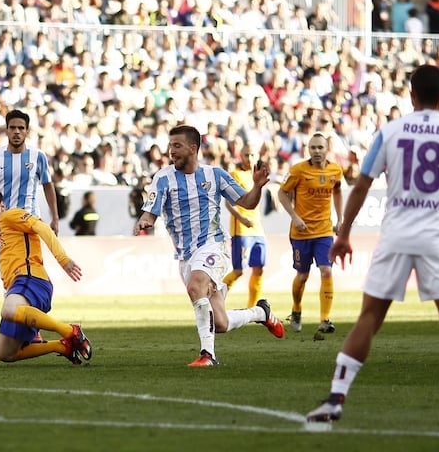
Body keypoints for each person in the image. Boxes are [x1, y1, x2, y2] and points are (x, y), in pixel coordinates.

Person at [306, 65, 439, 426]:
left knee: (369, 317)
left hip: (396, 234)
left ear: (411, 95)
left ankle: (335, 399)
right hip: (437, 238)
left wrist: (344, 233)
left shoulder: (390, 131)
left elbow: (362, 184)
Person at [134, 125, 284, 367]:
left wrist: (256, 187)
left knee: (196, 286)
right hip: (186, 255)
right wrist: (144, 221)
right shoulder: (162, 178)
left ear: (193, 148)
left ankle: (207, 355)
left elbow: (247, 202)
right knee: (221, 323)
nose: (171, 151)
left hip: (214, 245)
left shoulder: (215, 175)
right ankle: (261, 313)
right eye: (170, 146)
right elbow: (150, 212)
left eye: (177, 146)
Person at [0, 186, 92, 365]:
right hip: (18, 288)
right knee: (4, 353)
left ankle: (70, 331)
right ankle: (62, 347)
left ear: (2, 206)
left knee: (8, 310)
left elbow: (42, 227)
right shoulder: (1, 231)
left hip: (31, 279)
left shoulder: (10, 216)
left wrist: (63, 258)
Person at [0, 109, 59, 259]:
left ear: (27, 131)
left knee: (28, 267)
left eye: (21, 128)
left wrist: (54, 217)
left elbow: (48, 185)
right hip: (2, 224)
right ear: (7, 130)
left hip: (29, 222)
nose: (17, 132)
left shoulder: (38, 156)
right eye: (12, 127)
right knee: (7, 272)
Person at [277, 133, 344, 335]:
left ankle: (325, 319)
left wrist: (340, 218)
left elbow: (338, 191)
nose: (317, 151)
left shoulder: (336, 170)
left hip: (324, 231)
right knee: (303, 276)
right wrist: (294, 216)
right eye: (313, 147)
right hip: (301, 232)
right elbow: (282, 193)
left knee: (326, 270)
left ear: (326, 149)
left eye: (320, 147)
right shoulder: (298, 170)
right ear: (308, 150)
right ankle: (296, 309)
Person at [221, 144, 267, 308]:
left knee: (259, 269)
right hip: (241, 230)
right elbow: (228, 203)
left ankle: (252, 307)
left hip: (258, 229)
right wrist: (242, 219)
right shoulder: (235, 175)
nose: (249, 158)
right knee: (239, 271)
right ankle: (216, 299)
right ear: (240, 156)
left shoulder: (257, 175)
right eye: (246, 155)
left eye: (252, 155)